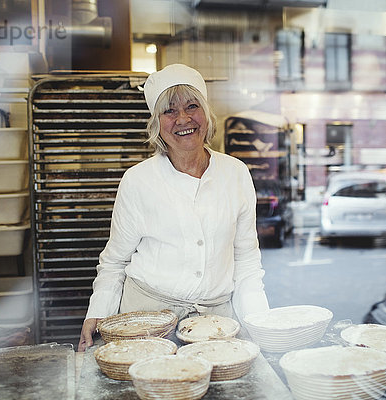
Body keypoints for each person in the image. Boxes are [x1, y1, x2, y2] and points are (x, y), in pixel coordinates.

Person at [78, 64, 270, 352]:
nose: (183, 119)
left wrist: (259, 321)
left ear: (206, 114)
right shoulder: (138, 181)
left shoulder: (236, 174)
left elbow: (246, 261)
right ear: (156, 123)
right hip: (145, 321)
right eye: (169, 111)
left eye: (192, 106)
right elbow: (115, 262)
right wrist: (98, 311)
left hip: (216, 323)